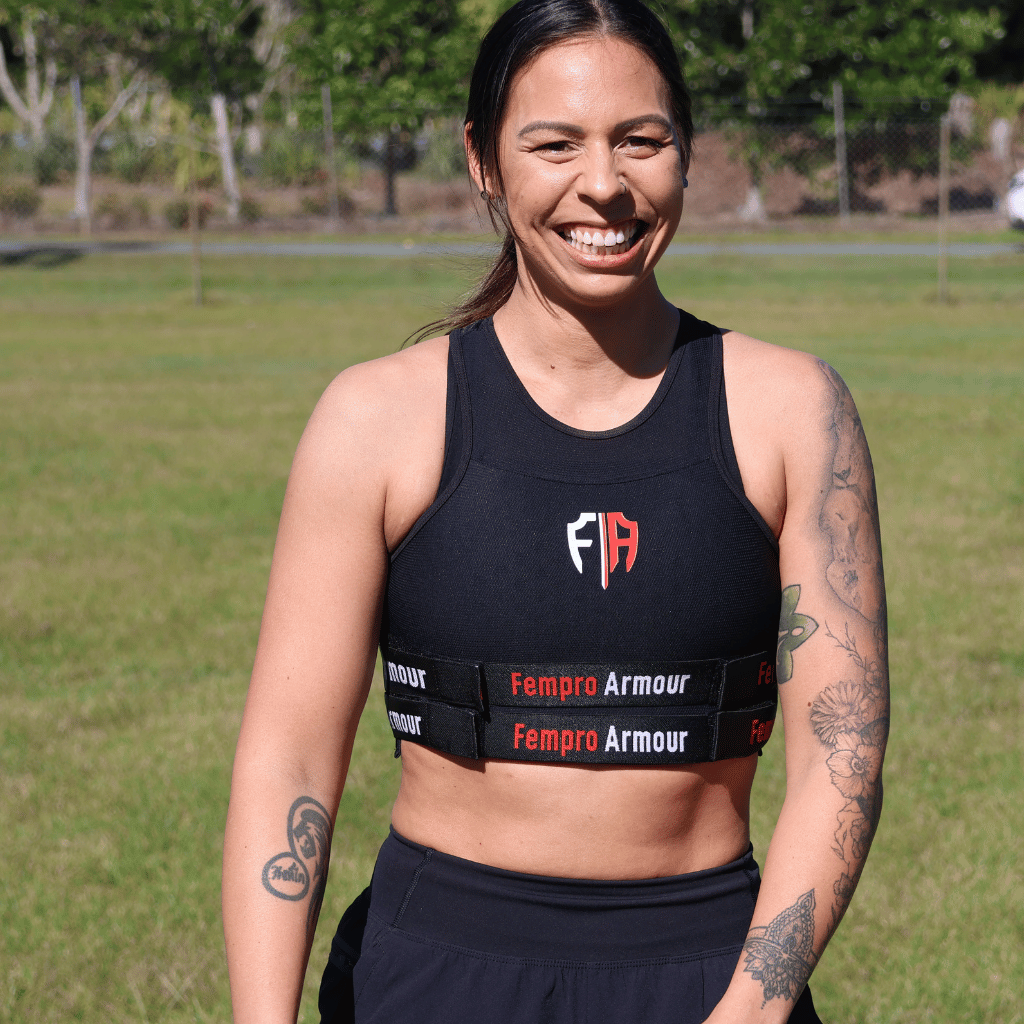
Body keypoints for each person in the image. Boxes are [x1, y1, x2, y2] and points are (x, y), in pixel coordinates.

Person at [222, 2, 889, 1022]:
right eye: (554, 143)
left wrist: (747, 1010)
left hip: (710, 968)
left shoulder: (795, 413)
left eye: (641, 140)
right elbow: (288, 761)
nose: (604, 184)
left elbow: (842, 756)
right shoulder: (375, 418)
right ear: (483, 161)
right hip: (434, 970)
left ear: (685, 151)